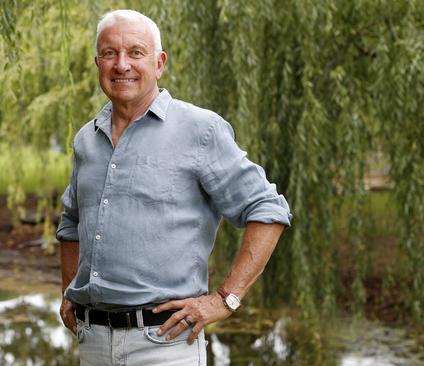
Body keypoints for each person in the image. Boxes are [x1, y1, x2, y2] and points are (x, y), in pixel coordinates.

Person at [56, 9, 292, 365]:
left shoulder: (200, 130)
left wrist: (224, 299)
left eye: (135, 52)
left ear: (159, 62)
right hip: (93, 343)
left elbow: (268, 209)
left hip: (164, 345)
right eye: (109, 53)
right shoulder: (85, 139)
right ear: (97, 62)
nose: (122, 65)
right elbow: (71, 224)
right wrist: (69, 290)